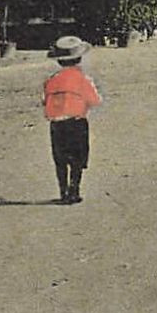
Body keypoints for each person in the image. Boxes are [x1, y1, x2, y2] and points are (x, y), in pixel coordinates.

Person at [43, 35, 103, 204]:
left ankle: (62, 192)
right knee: (77, 158)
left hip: (56, 123)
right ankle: (74, 190)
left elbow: (44, 100)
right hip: (76, 122)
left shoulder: (51, 80)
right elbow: (95, 100)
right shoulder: (82, 79)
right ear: (78, 59)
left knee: (60, 159)